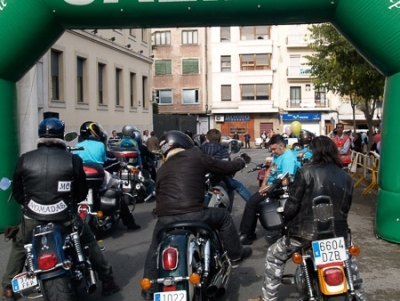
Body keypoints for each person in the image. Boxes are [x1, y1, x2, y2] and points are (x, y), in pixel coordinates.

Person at [1, 118, 120, 299]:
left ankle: (8, 286)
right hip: (64, 217)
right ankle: (107, 278)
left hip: (33, 218)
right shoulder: (73, 160)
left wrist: (30, 206)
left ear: (41, 135)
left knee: (19, 245)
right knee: (88, 239)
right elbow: (81, 192)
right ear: (61, 135)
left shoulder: (25, 159)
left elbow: (18, 193)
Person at [247, 136, 366, 301]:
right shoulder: (346, 177)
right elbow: (345, 207)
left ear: (314, 152)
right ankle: (360, 296)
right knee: (350, 265)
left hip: (304, 235)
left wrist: (285, 219)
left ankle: (267, 299)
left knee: (274, 255)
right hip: (338, 234)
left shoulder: (305, 172)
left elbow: (291, 205)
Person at [141, 130, 252, 300]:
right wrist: (240, 161)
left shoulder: (162, 169)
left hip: (165, 219)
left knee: (154, 246)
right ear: (183, 144)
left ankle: (149, 287)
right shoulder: (196, 156)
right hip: (194, 213)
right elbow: (225, 167)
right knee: (223, 216)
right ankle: (236, 254)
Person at [75, 121, 140, 231]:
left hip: (80, 177)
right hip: (99, 176)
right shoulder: (100, 145)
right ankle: (129, 223)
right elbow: (106, 162)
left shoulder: (77, 146)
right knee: (118, 187)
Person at [239, 134, 298, 245]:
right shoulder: (278, 155)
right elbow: (270, 168)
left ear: (282, 146)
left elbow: (286, 180)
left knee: (252, 202)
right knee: (253, 201)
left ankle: (247, 234)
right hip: (271, 185)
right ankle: (248, 232)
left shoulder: (288, 158)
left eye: (274, 149)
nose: (273, 151)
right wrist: (264, 184)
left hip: (279, 188)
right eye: (272, 149)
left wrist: (268, 188)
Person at [200, 129, 253, 208]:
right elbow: (226, 165)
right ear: (219, 139)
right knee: (239, 186)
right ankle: (254, 204)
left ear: (207, 138)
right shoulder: (222, 149)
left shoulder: (201, 148)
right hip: (220, 177)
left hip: (203, 179)